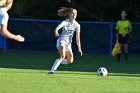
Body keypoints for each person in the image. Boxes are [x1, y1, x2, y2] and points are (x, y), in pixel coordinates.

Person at [48, 7, 83, 74]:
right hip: (61, 40)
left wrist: (79, 48)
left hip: (68, 44)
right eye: (72, 13)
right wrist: (56, 32)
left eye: (75, 13)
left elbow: (77, 38)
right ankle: (52, 70)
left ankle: (57, 61)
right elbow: (57, 28)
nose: (74, 15)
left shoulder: (77, 25)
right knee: (62, 56)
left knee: (70, 61)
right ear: (69, 14)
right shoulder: (65, 22)